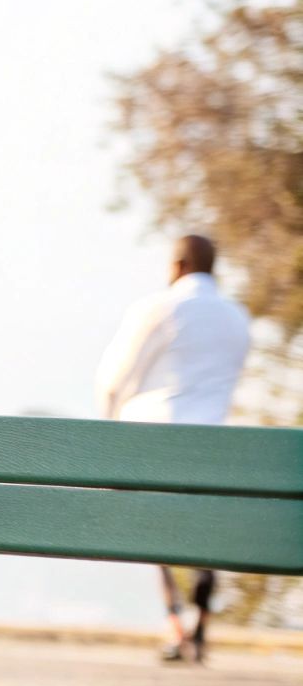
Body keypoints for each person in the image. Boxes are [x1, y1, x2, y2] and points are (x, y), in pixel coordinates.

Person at [95, 234, 252, 663]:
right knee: (200, 531)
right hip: (211, 442)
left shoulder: (158, 308)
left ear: (178, 264)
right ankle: (200, 621)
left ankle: (176, 622)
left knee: (154, 531)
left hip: (154, 441)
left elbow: (114, 379)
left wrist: (110, 439)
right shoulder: (238, 318)